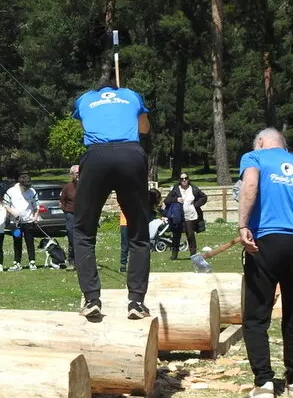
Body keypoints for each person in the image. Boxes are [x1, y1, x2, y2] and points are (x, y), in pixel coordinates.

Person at [238, 128, 293, 398]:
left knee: (256, 316)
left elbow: (250, 185)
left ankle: (264, 382)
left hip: (266, 241)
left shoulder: (254, 157)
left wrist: (242, 225)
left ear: (261, 141)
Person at [72, 80, 152, 321]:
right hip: (131, 154)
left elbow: (86, 125)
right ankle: (136, 301)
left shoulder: (85, 99)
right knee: (139, 232)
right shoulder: (132, 96)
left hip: (96, 156)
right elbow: (144, 129)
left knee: (83, 231)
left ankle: (91, 299)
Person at [163, 174, 208, 261]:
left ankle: (193, 255)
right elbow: (167, 200)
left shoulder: (193, 188)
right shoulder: (175, 189)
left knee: (190, 235)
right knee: (176, 235)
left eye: (186, 178)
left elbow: (204, 197)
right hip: (178, 216)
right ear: (180, 180)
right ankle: (174, 255)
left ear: (188, 179)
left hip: (190, 216)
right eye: (182, 179)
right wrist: (176, 200)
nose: (184, 180)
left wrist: (195, 205)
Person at [4, 174, 39, 271]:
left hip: (29, 222)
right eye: (25, 186)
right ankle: (17, 263)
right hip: (16, 223)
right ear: (20, 184)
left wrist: (35, 217)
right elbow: (6, 205)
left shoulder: (32, 191)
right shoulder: (11, 191)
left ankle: (32, 262)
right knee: (17, 241)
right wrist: (14, 213)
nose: (27, 188)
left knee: (30, 242)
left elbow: (36, 206)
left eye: (28, 186)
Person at [59, 165, 78, 270]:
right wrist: (67, 212)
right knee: (72, 237)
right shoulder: (67, 187)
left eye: (80, 173)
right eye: (77, 173)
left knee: (85, 238)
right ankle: (72, 261)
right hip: (71, 215)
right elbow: (62, 202)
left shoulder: (86, 185)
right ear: (71, 175)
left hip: (84, 216)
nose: (79, 175)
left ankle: (87, 261)